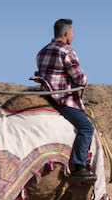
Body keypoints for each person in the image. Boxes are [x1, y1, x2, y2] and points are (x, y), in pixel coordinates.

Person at [34, 18, 95, 182]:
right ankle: (79, 165)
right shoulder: (67, 51)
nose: (73, 35)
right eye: (73, 32)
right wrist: (83, 82)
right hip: (63, 101)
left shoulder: (42, 51)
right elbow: (80, 79)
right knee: (87, 129)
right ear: (67, 33)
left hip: (45, 98)